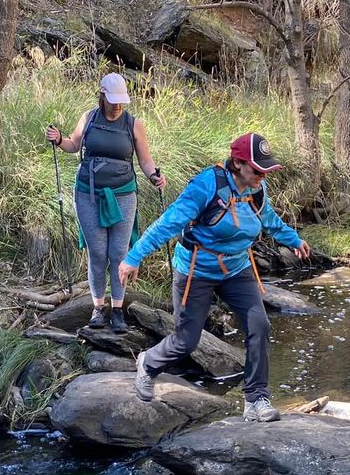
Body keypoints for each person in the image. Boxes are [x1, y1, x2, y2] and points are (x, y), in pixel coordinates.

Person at [118, 133, 310, 422]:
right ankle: (148, 363)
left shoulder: (257, 190)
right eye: (257, 170)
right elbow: (169, 222)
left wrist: (293, 240)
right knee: (186, 341)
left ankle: (256, 398)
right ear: (237, 163)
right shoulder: (208, 185)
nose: (262, 176)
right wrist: (134, 256)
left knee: (259, 325)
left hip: (236, 269)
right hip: (196, 270)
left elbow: (268, 218)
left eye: (265, 170)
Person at [45, 72, 166, 333]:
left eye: (121, 101)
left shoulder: (133, 124)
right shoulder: (89, 118)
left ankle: (118, 310)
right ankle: (98, 309)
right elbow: (73, 145)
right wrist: (59, 140)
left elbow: (145, 160)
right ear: (102, 95)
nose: (117, 105)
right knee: (98, 253)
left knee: (118, 253)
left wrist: (154, 175)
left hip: (123, 193)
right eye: (113, 100)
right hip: (88, 192)